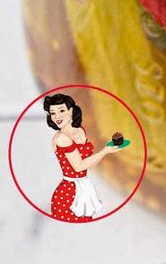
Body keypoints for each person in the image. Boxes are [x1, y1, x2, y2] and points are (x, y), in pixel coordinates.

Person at [43, 93, 123, 222]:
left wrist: (107, 150)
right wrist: (105, 151)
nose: (57, 116)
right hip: (69, 193)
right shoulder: (61, 139)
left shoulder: (80, 131)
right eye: (53, 113)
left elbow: (90, 165)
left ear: (71, 111)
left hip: (84, 188)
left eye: (61, 110)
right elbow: (79, 166)